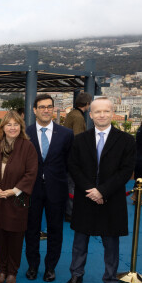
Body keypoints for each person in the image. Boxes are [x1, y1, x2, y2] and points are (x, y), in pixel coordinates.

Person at [65, 97, 136, 283]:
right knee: (80, 242)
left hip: (111, 199)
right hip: (85, 198)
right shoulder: (80, 140)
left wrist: (102, 191)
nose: (102, 115)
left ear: (112, 113)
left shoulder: (126, 141)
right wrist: (90, 190)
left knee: (111, 244)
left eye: (106, 111)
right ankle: (76, 276)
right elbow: (73, 167)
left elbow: (126, 171)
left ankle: (111, 282)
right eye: (97, 112)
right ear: (91, 114)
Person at [0, 111, 38, 283]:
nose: (12, 128)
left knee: (15, 237)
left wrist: (13, 191)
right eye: (8, 124)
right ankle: (2, 270)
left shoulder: (27, 147)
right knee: (0, 237)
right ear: (2, 128)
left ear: (20, 127)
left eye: (16, 124)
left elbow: (31, 173)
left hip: (16, 199)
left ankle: (12, 272)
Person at [24, 95, 74, 283]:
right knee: (31, 229)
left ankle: (50, 267)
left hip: (57, 189)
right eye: (42, 107)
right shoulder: (25, 133)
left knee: (56, 230)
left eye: (49, 107)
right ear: (34, 110)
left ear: (53, 109)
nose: (46, 110)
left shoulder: (66, 134)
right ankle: (32, 266)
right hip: (32, 189)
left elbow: (70, 163)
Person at [63, 91, 92, 221]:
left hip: (67, 155)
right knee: (73, 185)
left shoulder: (71, 114)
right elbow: (78, 139)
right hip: (73, 158)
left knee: (70, 184)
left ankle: (69, 210)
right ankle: (71, 212)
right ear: (87, 104)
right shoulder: (79, 118)